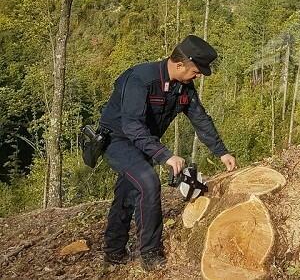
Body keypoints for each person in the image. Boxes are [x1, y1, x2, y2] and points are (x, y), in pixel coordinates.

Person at [99, 35, 237, 270]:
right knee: (148, 182)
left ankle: (113, 251)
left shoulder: (184, 87)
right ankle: (151, 253)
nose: (199, 75)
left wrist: (221, 152)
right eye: (197, 70)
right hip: (118, 139)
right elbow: (131, 125)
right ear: (180, 64)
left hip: (144, 140)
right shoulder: (140, 79)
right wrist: (165, 154)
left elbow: (200, 119)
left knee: (128, 190)